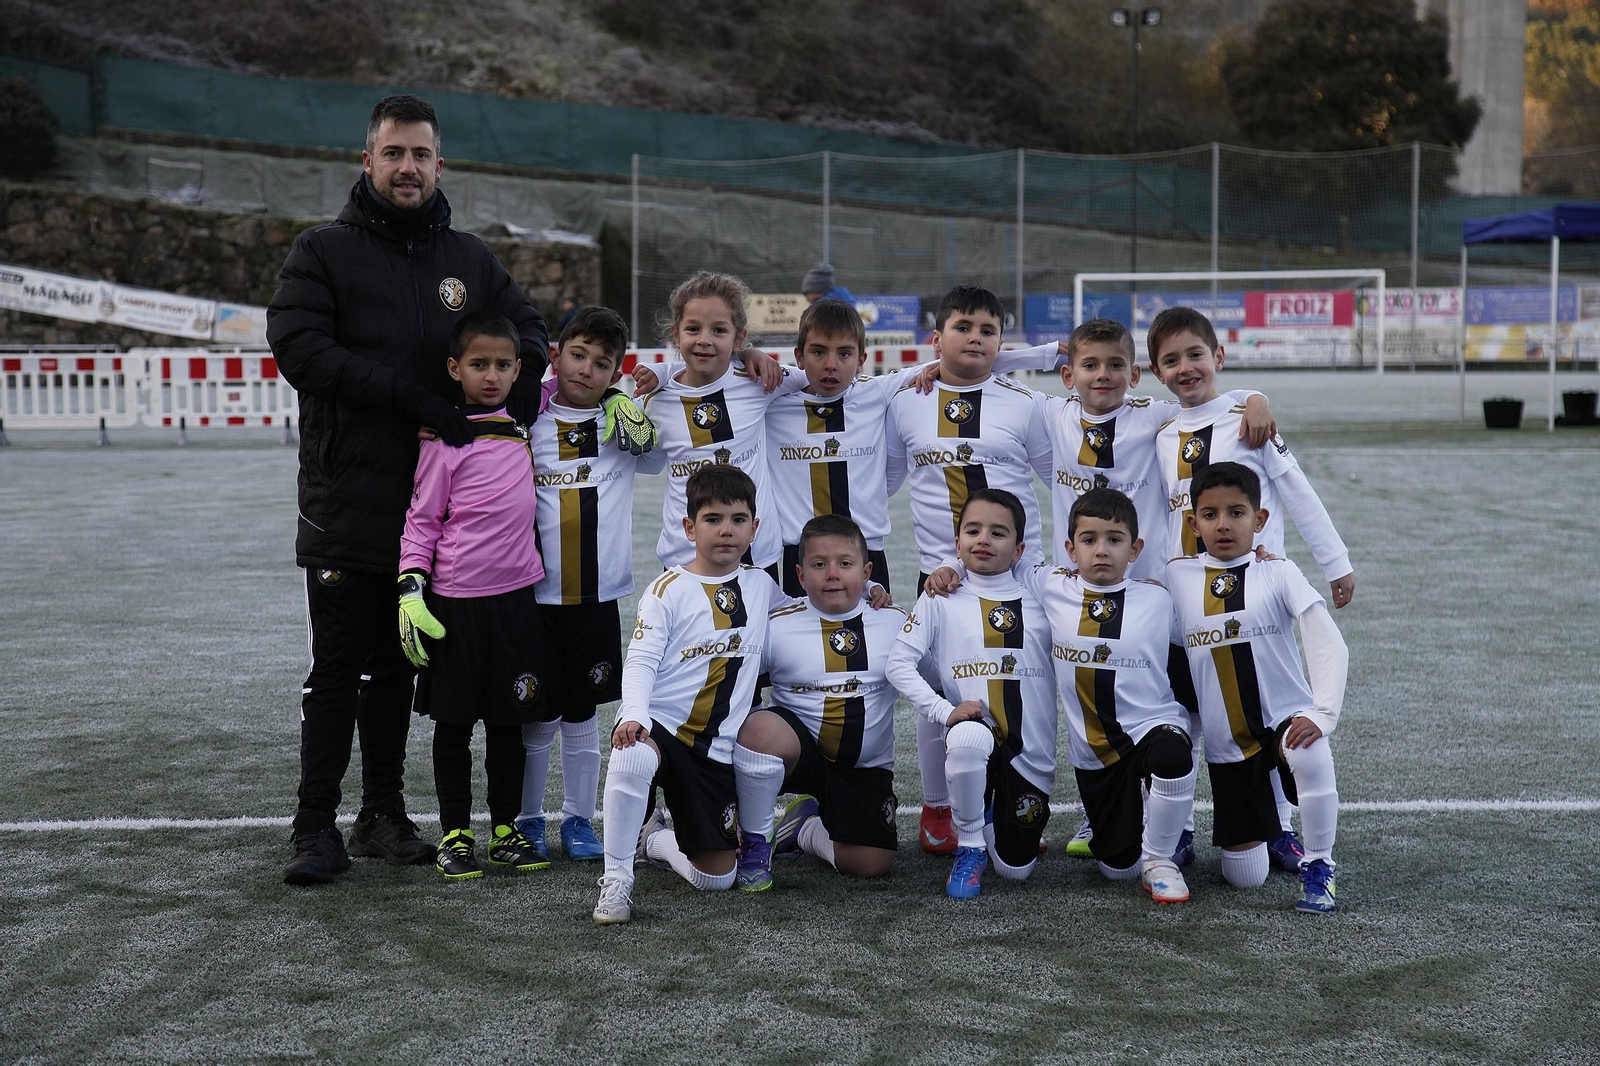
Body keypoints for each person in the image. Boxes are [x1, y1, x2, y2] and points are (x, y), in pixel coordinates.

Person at [268, 93, 549, 886]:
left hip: (441, 526)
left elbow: (527, 333)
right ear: (367, 161)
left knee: (398, 670)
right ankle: (313, 824)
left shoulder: (468, 258)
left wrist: (508, 401)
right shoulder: (322, 251)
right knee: (336, 670)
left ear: (439, 165)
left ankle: (382, 816)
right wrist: (418, 400)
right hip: (350, 503)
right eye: (393, 153)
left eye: (421, 154)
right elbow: (300, 349)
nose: (407, 167)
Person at [915, 317, 1272, 861]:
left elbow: (1203, 397)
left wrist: (1255, 396)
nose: (1102, 375)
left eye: (1114, 366)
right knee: (1080, 688)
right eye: (1089, 365)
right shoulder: (1054, 411)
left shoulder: (1152, 414)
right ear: (1067, 374)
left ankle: (1174, 814)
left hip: (1148, 585)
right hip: (1074, 583)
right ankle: (1089, 805)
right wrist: (939, 367)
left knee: (1170, 695)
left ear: (1135, 376)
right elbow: (987, 365)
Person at [1149, 305, 1354, 871]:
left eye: (1196, 354)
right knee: (1187, 714)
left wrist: (1335, 563)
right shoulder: (1163, 431)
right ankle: (1180, 826)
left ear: (1217, 357)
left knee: (1265, 709)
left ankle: (1283, 827)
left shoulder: (1249, 417)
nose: (1186, 367)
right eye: (1171, 360)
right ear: (1156, 372)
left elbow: (1296, 488)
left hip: (1255, 591)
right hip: (1187, 603)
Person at [924, 488, 1198, 904]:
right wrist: (948, 566)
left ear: (1135, 548)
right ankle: (986, 825)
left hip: (1150, 729)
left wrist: (1261, 564)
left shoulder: (1160, 597)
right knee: (1114, 869)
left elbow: (1213, 629)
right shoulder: (1049, 585)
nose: (1101, 550)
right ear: (1070, 549)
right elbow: (992, 551)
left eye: (1115, 540)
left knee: (1173, 754)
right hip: (1094, 756)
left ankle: (1160, 858)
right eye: (1089, 540)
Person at [885, 284, 1054, 857]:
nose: (976, 338)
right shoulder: (906, 398)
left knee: (1025, 683)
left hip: (1017, 576)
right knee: (938, 691)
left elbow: (1061, 477)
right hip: (942, 582)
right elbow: (881, 480)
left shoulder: (1024, 403)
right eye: (963, 327)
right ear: (937, 339)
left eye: (988, 330)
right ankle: (937, 807)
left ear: (1001, 343)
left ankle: (1022, 793)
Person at [591, 467, 792, 924]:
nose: (727, 530)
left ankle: (655, 841)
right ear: (689, 527)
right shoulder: (667, 590)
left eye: (739, 520)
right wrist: (633, 716)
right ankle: (617, 881)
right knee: (633, 755)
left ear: (755, 529)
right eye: (713, 519)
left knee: (717, 879)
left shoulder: (761, 586)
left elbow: (803, 616)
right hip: (662, 727)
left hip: (716, 750)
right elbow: (640, 661)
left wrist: (874, 592)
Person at [396, 310, 551, 880]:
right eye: (479, 364)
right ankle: (456, 832)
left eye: (503, 365)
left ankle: (505, 828)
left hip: (516, 602)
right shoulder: (443, 437)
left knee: (508, 722)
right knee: (455, 723)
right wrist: (411, 587)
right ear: (454, 368)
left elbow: (586, 382)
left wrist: (620, 396)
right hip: (455, 604)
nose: (491, 375)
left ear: (518, 371)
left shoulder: (524, 420)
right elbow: (422, 520)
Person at [517, 306, 665, 864]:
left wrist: (633, 398)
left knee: (582, 715)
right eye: (577, 355)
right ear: (556, 357)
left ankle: (579, 820)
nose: (587, 370)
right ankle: (529, 820)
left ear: (615, 370)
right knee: (536, 716)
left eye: (602, 364)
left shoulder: (622, 424)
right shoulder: (527, 419)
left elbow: (659, 455)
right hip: (533, 595)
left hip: (597, 596)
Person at [1167, 463, 1347, 913]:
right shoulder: (1176, 577)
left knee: (1309, 747)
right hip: (1228, 747)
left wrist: (1322, 712)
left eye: (1236, 512)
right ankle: (1269, 825)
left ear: (1259, 520)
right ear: (1193, 523)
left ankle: (1319, 868)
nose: (1223, 524)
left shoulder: (1278, 571)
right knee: (1244, 878)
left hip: (1282, 722)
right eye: (1209, 515)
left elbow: (1326, 638)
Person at [886, 489, 1058, 900]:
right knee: (966, 738)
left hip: (1029, 748)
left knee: (1016, 871)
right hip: (975, 727)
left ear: (1018, 549)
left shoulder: (1043, 597)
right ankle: (969, 847)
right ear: (957, 540)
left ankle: (986, 817)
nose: (983, 539)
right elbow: (898, 663)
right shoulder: (940, 596)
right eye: (973, 530)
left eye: (998, 533)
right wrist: (944, 711)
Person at [731, 514, 908, 889]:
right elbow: (732, 688)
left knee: (870, 864)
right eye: (819, 564)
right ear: (799, 575)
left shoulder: (896, 623)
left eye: (845, 564)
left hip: (864, 766)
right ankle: (756, 842)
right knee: (758, 729)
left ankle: (805, 829)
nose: (832, 574)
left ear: (866, 571)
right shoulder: (777, 625)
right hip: (800, 757)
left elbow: (936, 681)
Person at [632, 271, 809, 581]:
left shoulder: (760, 381)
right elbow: (648, 463)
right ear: (676, 334)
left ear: (738, 338)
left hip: (755, 555)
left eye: (719, 330)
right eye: (693, 329)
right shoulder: (653, 401)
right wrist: (664, 371)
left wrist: (752, 355)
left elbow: (818, 380)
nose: (704, 340)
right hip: (684, 558)